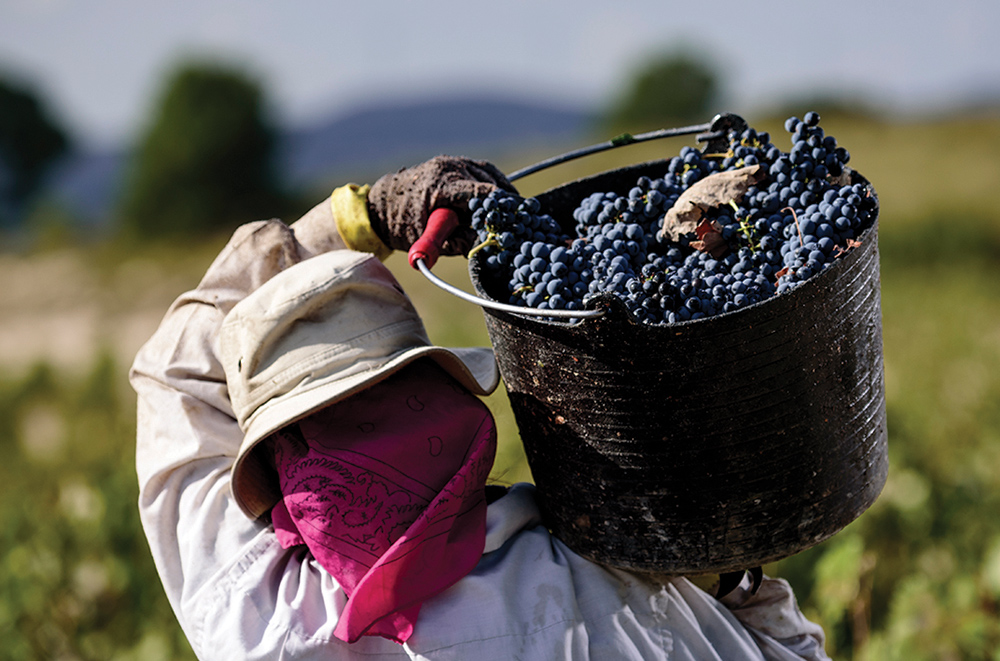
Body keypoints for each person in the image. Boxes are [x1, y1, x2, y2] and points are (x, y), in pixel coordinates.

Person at [131, 155, 830, 660]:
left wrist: (359, 217)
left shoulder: (264, 623)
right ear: (445, 405)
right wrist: (730, 575)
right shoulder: (606, 583)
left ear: (278, 470)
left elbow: (173, 374)